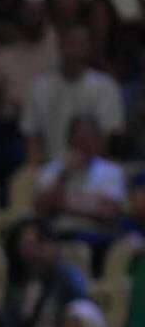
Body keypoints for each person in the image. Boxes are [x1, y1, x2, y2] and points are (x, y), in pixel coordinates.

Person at [20, 24, 124, 162]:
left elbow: (109, 136)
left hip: (93, 170)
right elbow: (32, 137)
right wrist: (40, 172)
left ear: (89, 47)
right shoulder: (39, 87)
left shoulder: (105, 86)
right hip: (51, 169)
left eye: (80, 43)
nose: (75, 48)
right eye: (71, 42)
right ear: (60, 44)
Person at [34, 116, 126, 254]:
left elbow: (109, 213)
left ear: (97, 140)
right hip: (58, 235)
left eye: (89, 138)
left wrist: (64, 204)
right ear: (70, 140)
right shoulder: (51, 170)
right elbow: (41, 209)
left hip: (97, 237)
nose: (85, 144)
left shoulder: (112, 171)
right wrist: (64, 175)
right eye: (80, 138)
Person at [2, 218, 88, 327]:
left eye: (39, 244)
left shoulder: (68, 278)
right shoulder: (17, 282)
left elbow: (76, 322)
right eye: (27, 245)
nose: (34, 251)